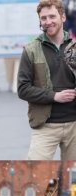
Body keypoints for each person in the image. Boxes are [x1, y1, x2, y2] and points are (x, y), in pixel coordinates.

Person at [17, 0, 76, 160]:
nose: (48, 22)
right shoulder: (32, 50)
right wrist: (54, 96)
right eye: (43, 18)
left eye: (52, 16)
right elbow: (23, 89)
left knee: (72, 180)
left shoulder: (73, 48)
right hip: (45, 124)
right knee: (35, 175)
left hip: (74, 124)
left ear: (63, 17)